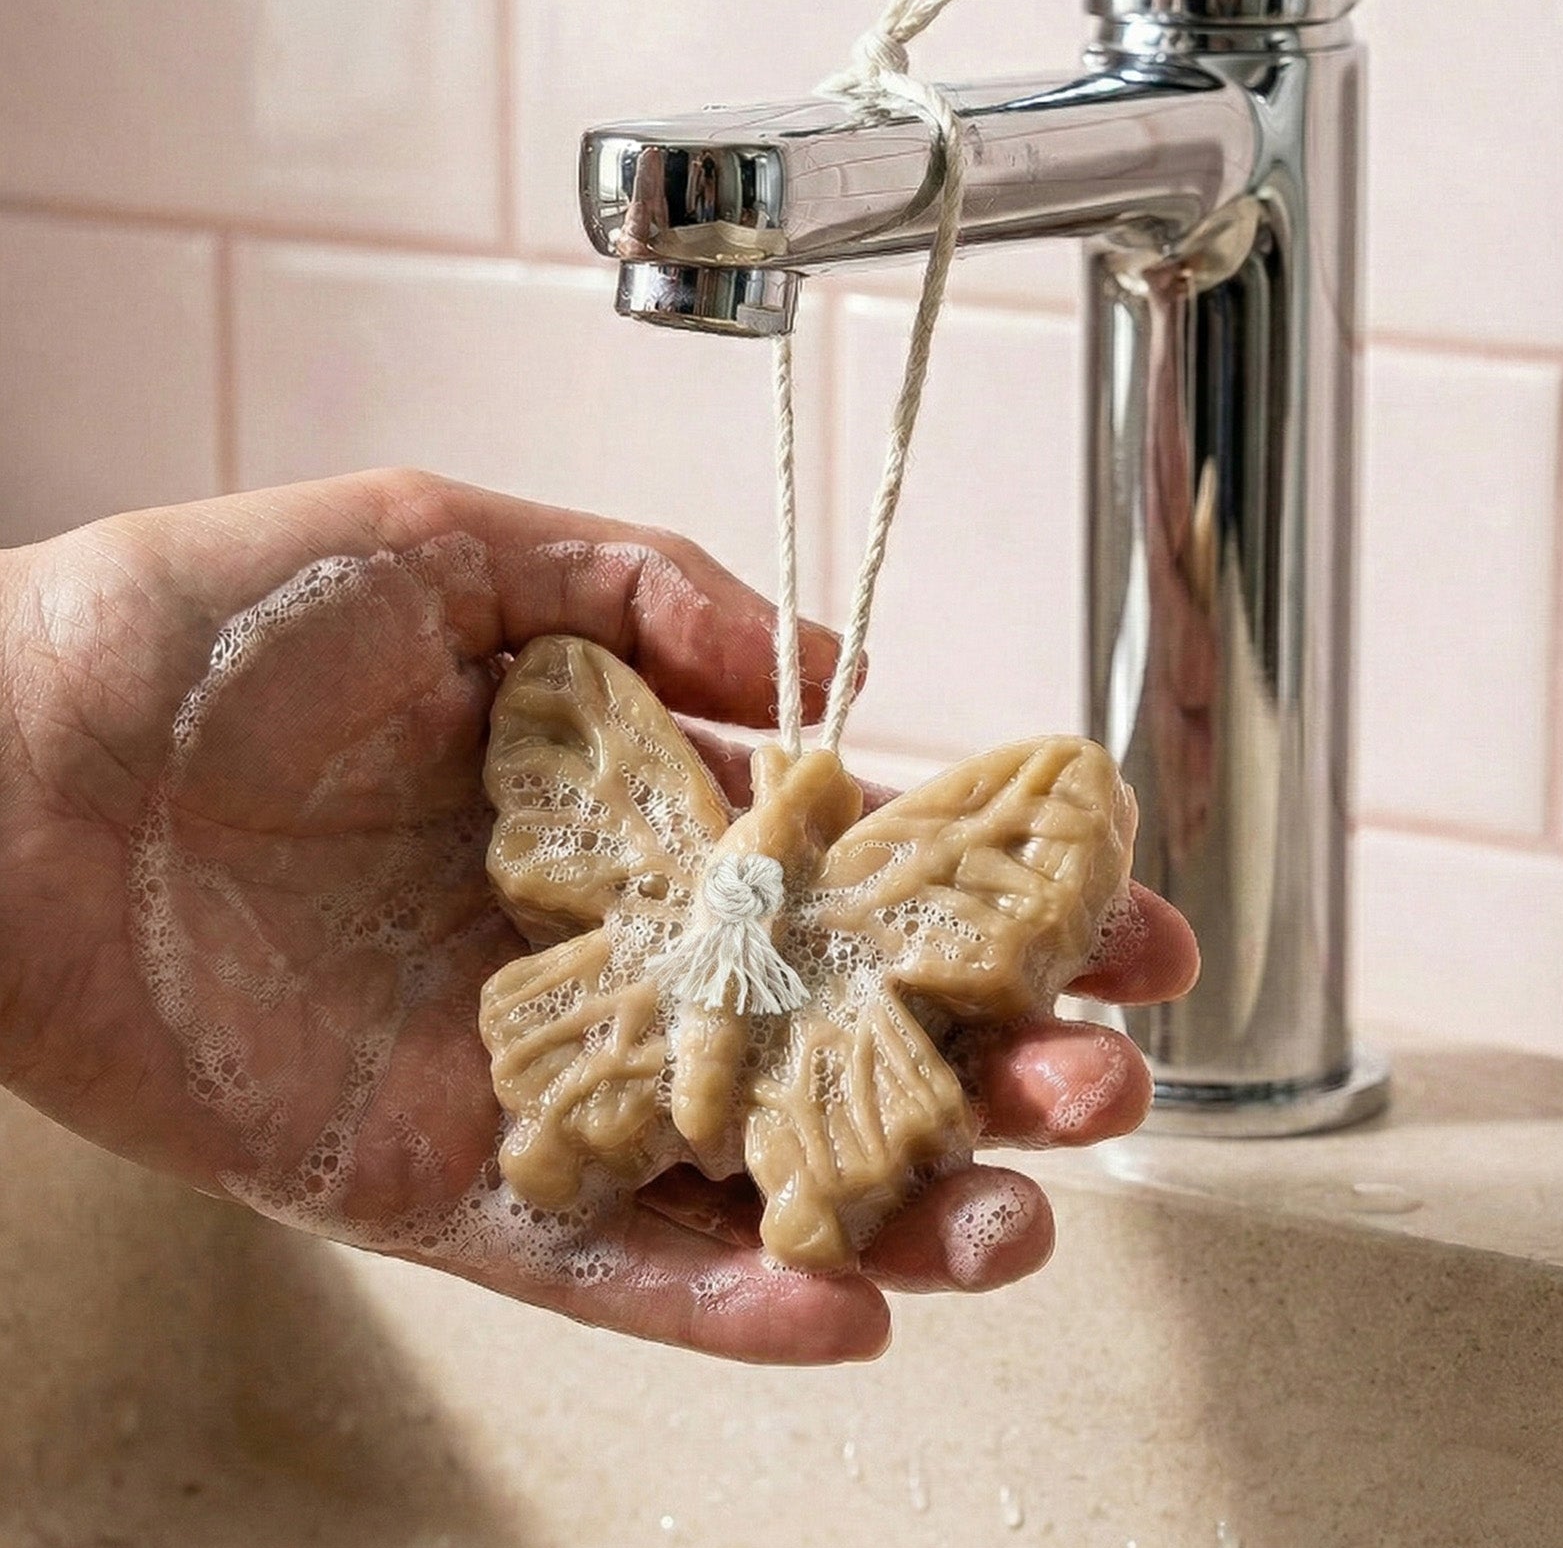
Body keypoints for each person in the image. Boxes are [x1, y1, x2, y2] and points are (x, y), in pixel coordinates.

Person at [0, 468, 1198, 1365]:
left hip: (633, 992)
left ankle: (610, 1128)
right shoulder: (927, 856)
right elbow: (1046, 810)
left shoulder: (642, 802)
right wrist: (33, 716)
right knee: (802, 1176)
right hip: (827, 1027)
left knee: (589, 1137)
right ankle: (779, 1166)